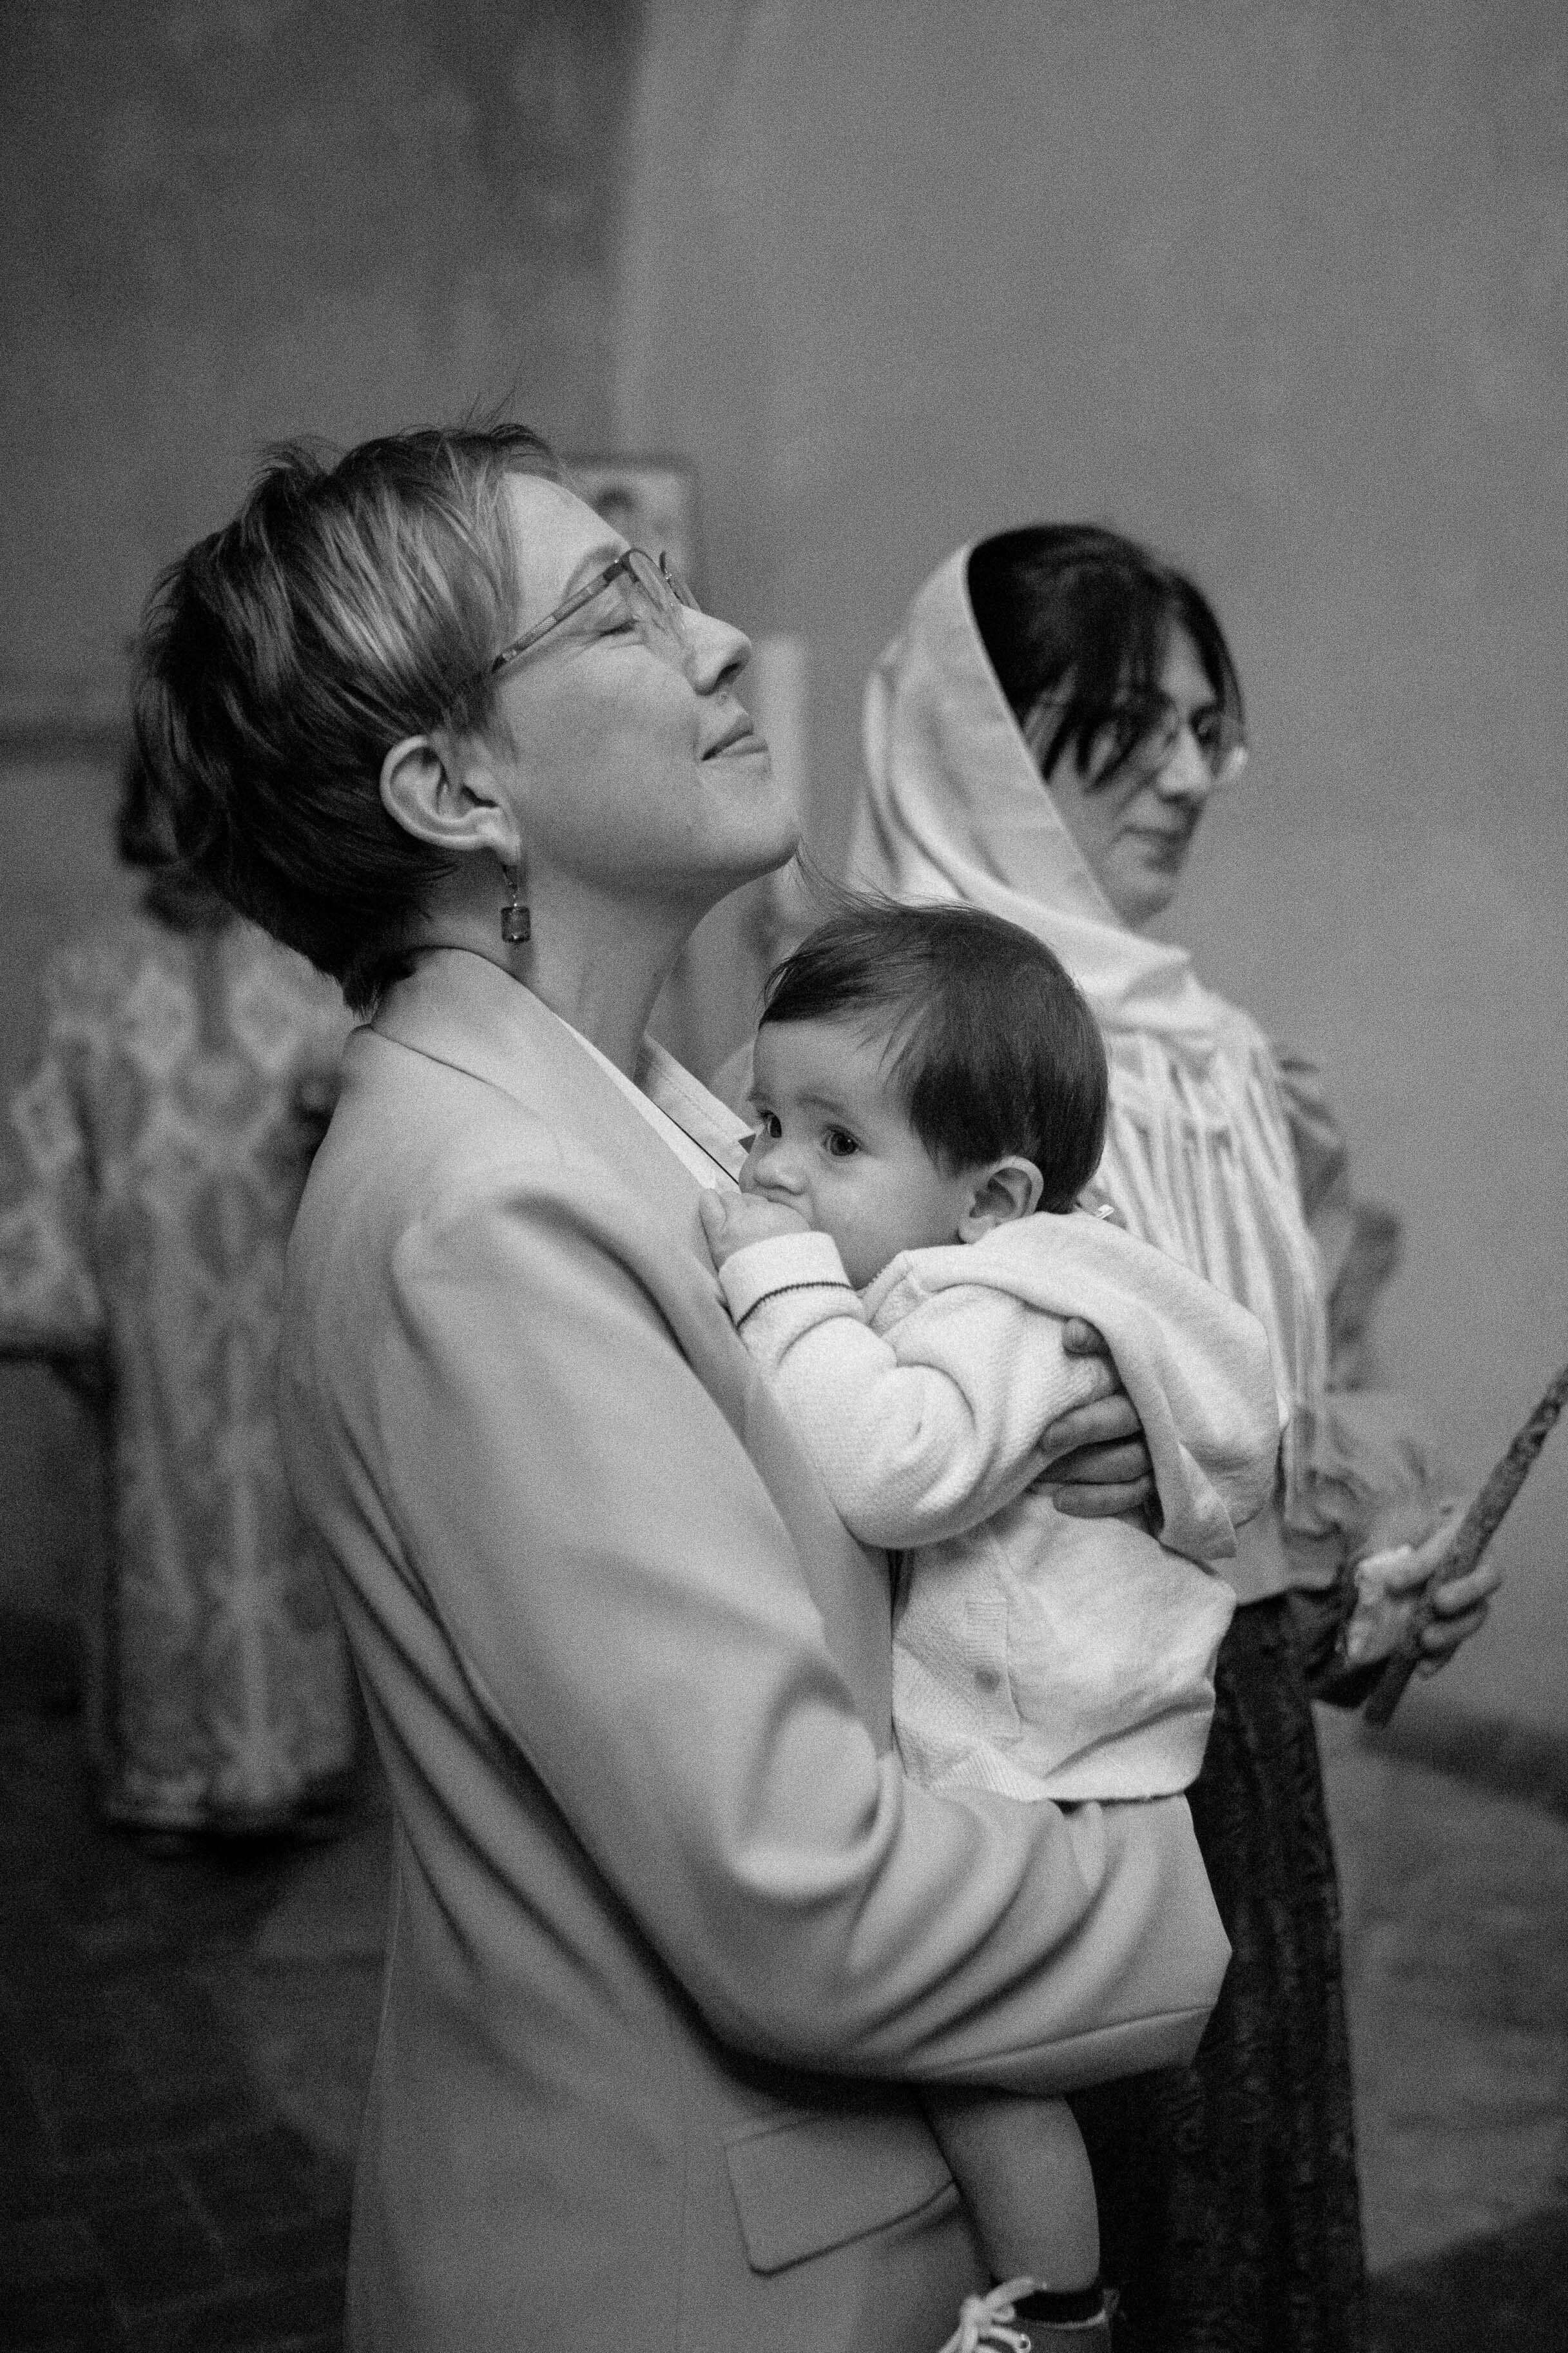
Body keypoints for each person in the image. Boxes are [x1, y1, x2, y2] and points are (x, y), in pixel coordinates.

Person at [130, 429, 1232, 2353]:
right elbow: (802, 1894)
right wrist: (1167, 1883)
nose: (718, 637)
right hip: (680, 2269)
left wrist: (1042, 1457)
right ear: (450, 783)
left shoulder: (646, 1114)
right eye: (617, 607)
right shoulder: (491, 1210)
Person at [845, 524, 1500, 2352]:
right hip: (1004, 1793)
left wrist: (1358, 1594)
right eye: (1132, 720)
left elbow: (1259, 1479)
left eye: (1215, 724)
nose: (1196, 771)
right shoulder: (878, 1054)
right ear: (982, 734)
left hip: (1236, 1771)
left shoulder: (1220, 1059)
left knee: (1242, 2239)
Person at [699, 897, 1283, 2329]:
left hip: (1044, 1769)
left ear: (998, 1198)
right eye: (766, 1124)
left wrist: (769, 1279)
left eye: (836, 1144)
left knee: (987, 2077)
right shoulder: (965, 1265)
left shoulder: (992, 1302)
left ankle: (1051, 2315)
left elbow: (895, 1471)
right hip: (1039, 1754)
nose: (778, 1170)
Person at [0, 751, 356, 1836]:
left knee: (290, 1520)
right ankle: (172, 1771)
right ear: (140, 818)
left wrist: (334, 1108)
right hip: (149, 1306)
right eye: (172, 811)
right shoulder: (87, 976)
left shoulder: (304, 970)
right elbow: (46, 1139)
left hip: (275, 1294)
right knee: (158, 1527)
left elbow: (366, 1104)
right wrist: (60, 1302)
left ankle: (292, 1763)